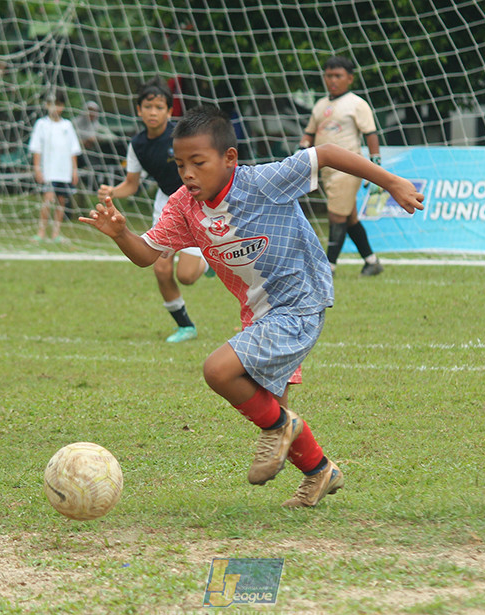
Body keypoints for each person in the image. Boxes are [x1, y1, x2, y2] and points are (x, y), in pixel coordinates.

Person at [81, 106, 424, 507]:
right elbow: (145, 255)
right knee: (271, 410)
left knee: (219, 372)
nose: (188, 173)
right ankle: (320, 472)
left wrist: (392, 182)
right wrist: (121, 234)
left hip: (299, 301)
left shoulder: (262, 182)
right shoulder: (183, 206)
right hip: (258, 314)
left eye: (198, 163)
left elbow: (327, 153)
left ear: (229, 158)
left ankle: (282, 430)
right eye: (180, 164)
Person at [98, 81, 207, 344]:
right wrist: (112, 191)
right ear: (139, 110)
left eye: (159, 107)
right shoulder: (137, 144)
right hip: (166, 205)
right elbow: (132, 184)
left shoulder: (181, 136)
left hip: (195, 202)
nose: (153, 112)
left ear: (169, 111)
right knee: (161, 268)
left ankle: (208, 261)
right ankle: (185, 326)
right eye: (148, 107)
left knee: (186, 276)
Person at [300, 55, 384, 277]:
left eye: (338, 76)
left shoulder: (357, 104)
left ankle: (328, 268)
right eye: (329, 76)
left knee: (336, 216)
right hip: (326, 171)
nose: (332, 80)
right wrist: (302, 150)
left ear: (350, 78)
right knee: (349, 218)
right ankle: (372, 262)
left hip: (348, 168)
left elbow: (370, 133)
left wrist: (375, 164)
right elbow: (309, 133)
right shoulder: (320, 105)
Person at [28, 90, 81, 242]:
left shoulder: (67, 125)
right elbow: (36, 149)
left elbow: (73, 150)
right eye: (51, 104)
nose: (55, 108)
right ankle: (41, 232)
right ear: (46, 105)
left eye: (58, 104)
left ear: (62, 106)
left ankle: (56, 233)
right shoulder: (41, 124)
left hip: (64, 171)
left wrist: (74, 171)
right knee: (48, 199)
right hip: (49, 171)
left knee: (61, 201)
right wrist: (37, 168)